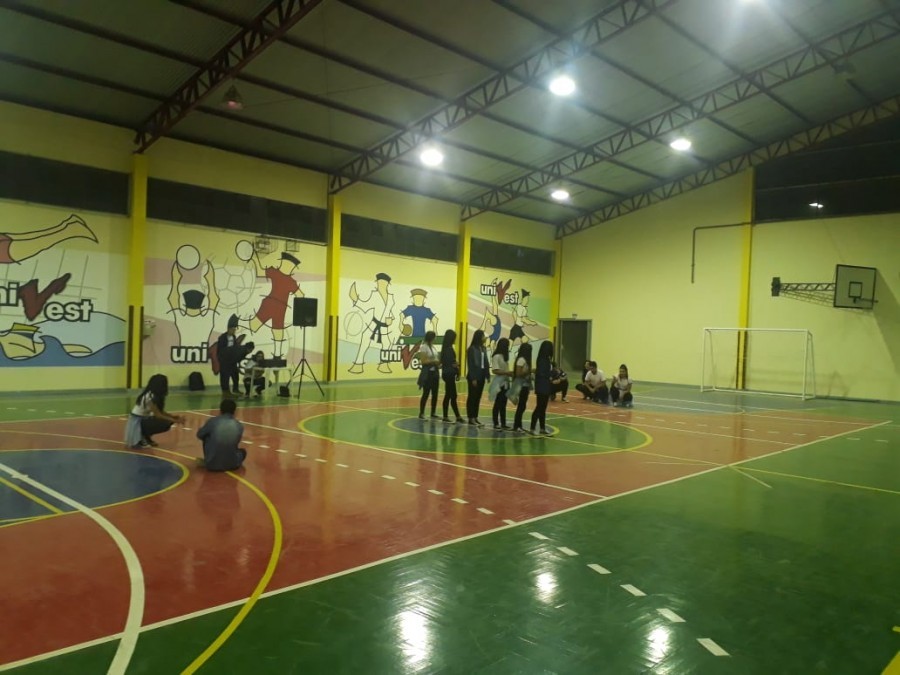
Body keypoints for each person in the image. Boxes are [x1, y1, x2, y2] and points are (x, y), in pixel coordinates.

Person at [245, 251, 302, 359]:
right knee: (254, 325)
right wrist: (254, 258)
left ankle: (277, 356)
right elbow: (260, 272)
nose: (289, 267)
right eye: (287, 264)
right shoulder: (275, 273)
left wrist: (300, 315)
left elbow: (301, 295)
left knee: (278, 331)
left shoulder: (291, 282)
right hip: (269, 304)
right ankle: (236, 322)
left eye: (291, 266)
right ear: (283, 262)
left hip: (281, 309)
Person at [124, 374, 184, 449]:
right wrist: (175, 420)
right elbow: (158, 415)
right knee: (164, 423)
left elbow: (160, 411)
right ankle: (142, 436)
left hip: (143, 419)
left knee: (167, 421)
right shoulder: (150, 397)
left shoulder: (153, 395)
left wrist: (173, 417)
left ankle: (146, 436)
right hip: (137, 421)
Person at [196, 398, 247, 471]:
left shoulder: (212, 421)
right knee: (243, 451)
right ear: (234, 411)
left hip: (211, 465)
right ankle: (228, 460)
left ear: (220, 410)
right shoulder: (239, 425)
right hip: (232, 464)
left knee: (206, 435)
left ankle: (210, 459)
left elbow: (199, 435)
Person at [216, 315, 253, 398]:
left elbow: (235, 347)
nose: (234, 331)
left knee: (235, 374)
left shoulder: (234, 337)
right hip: (224, 360)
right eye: (232, 329)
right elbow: (220, 350)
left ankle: (235, 389)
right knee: (225, 377)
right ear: (229, 329)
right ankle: (225, 391)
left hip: (232, 360)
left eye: (235, 329)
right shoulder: (222, 337)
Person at [465, 329, 490, 426]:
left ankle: (475, 417)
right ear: (479, 337)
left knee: (478, 397)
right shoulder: (471, 349)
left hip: (482, 376)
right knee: (472, 397)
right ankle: (470, 418)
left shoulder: (483, 348)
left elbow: (486, 362)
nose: (485, 338)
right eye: (483, 336)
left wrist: (487, 375)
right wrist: (473, 378)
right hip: (474, 377)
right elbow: (471, 364)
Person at [488, 337, 513, 430]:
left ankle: (503, 423)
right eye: (507, 346)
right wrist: (507, 373)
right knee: (498, 403)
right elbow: (495, 370)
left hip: (506, 383)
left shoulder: (504, 357)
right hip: (499, 383)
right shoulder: (496, 356)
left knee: (503, 404)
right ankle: (496, 423)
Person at [440, 329, 464, 423]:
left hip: (447, 374)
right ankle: (449, 416)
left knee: (450, 395)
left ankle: (456, 416)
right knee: (451, 395)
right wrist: (457, 367)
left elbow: (449, 362)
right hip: (449, 374)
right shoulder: (449, 349)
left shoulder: (446, 348)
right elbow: (452, 363)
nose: (455, 340)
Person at [530, 341, 554, 435]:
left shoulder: (546, 359)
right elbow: (541, 373)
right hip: (542, 385)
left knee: (543, 408)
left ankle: (542, 428)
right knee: (539, 407)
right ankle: (532, 428)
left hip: (545, 385)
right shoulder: (542, 360)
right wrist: (550, 376)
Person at [509, 342, 533, 433]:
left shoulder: (524, 360)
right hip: (521, 385)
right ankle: (517, 426)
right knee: (521, 406)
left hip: (525, 385)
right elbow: (518, 373)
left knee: (522, 406)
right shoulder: (521, 360)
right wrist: (528, 372)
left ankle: (519, 425)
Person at [416, 330, 440, 419]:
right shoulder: (424, 347)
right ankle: (421, 413)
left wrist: (438, 363)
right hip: (428, 373)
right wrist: (433, 361)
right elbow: (423, 361)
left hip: (435, 372)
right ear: (431, 338)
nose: (435, 339)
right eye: (434, 337)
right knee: (426, 393)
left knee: (435, 393)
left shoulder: (433, 347)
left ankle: (433, 412)